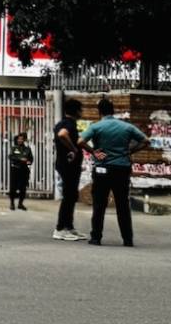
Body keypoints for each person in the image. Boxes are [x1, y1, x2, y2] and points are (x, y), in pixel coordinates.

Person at [79, 98, 149, 247]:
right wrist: (130, 151)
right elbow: (146, 141)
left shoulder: (96, 127)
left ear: (100, 112)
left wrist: (94, 152)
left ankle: (96, 237)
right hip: (122, 169)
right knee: (122, 204)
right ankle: (127, 239)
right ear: (113, 110)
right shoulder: (126, 127)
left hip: (102, 169)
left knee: (99, 204)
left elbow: (80, 142)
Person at [52, 98, 86, 241]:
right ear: (77, 111)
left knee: (71, 197)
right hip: (68, 166)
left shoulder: (63, 123)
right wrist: (74, 150)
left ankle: (69, 227)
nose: (82, 112)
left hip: (68, 165)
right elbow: (62, 135)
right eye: (81, 109)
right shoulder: (68, 124)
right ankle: (59, 229)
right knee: (68, 197)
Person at [8, 133, 33, 211]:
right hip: (15, 169)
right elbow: (11, 156)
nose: (20, 140)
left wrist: (28, 162)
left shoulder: (27, 149)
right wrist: (20, 159)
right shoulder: (14, 148)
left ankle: (20, 203)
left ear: (24, 140)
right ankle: (12, 203)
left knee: (23, 188)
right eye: (19, 139)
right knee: (13, 188)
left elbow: (31, 159)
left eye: (22, 139)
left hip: (24, 170)